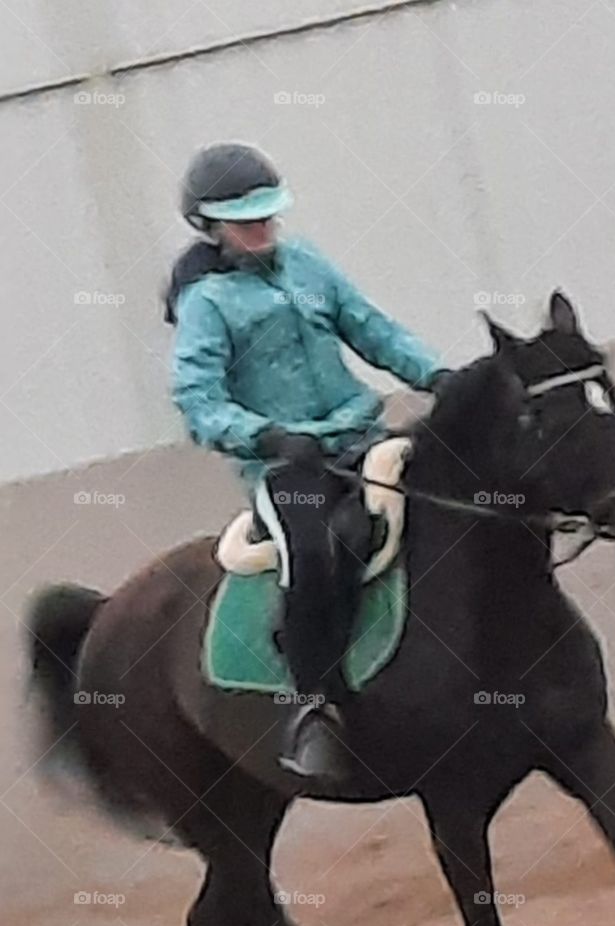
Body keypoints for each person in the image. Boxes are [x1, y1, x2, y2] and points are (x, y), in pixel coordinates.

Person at [165, 142, 448, 778]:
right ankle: (315, 704)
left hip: (360, 435)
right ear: (210, 228)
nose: (262, 229)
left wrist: (442, 375)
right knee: (317, 550)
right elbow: (197, 400)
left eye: (268, 216)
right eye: (246, 222)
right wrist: (264, 436)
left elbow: (375, 331)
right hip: (286, 464)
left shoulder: (310, 266)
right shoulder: (207, 305)